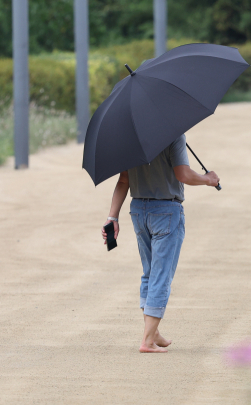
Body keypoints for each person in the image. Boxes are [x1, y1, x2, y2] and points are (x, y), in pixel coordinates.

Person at [101, 134, 220, 353]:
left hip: (138, 210)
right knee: (161, 276)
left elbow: (124, 180)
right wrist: (208, 179)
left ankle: (153, 332)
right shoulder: (173, 135)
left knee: (149, 273)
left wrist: (112, 218)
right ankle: (147, 341)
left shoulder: (131, 138)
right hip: (166, 210)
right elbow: (182, 174)